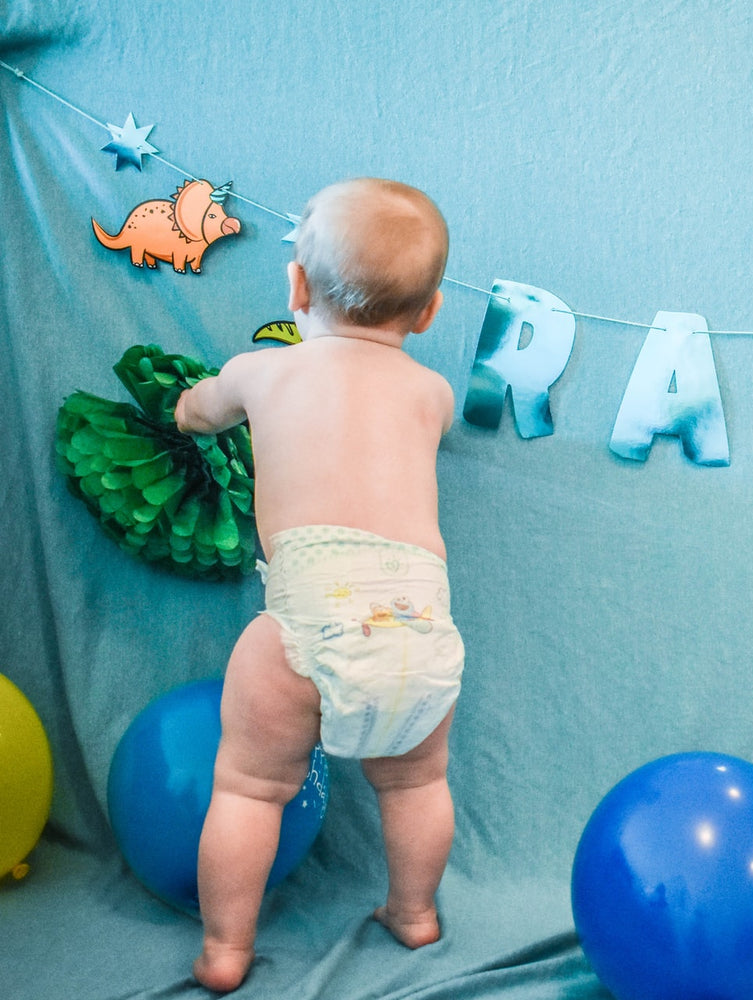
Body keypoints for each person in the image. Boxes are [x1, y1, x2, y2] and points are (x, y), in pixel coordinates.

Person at [175, 178, 463, 992]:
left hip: (311, 622)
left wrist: (185, 406)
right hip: (418, 628)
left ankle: (226, 948)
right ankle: (414, 912)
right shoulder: (432, 394)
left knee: (250, 785)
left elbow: (198, 412)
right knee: (417, 782)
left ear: (296, 287)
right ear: (431, 311)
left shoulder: (264, 374)